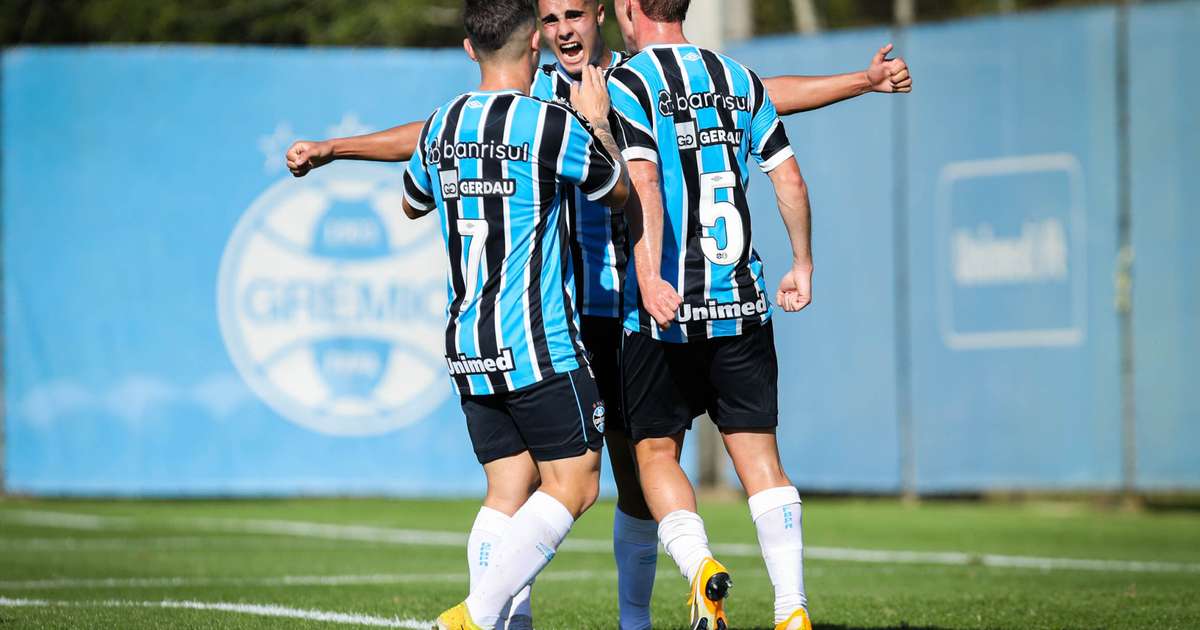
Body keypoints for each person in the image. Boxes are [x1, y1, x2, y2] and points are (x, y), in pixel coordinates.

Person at [285, 4, 910, 629]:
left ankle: (629, 620)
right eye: (550, 18)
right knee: (541, 481)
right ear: (536, 34)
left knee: (633, 478)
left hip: (635, 312)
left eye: (575, 14)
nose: (564, 29)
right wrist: (340, 148)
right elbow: (435, 133)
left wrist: (860, 81)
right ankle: (508, 617)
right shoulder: (539, 95)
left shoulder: (634, 78)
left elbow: (763, 95)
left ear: (603, 14)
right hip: (579, 316)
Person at [397, 1, 630, 628]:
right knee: (576, 484)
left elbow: (412, 203)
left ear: (470, 50)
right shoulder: (549, 124)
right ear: (534, 46)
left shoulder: (441, 124)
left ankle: (504, 624)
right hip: (537, 343)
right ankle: (474, 614)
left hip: (468, 343)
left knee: (508, 490)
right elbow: (619, 192)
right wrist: (598, 124)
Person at [605, 0, 831, 628]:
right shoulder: (739, 79)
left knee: (655, 455)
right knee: (762, 462)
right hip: (741, 304)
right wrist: (803, 263)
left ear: (630, 8)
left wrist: (649, 277)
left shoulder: (628, 82)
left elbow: (646, 184)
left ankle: (700, 565)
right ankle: (792, 609)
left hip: (665, 312)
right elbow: (790, 180)